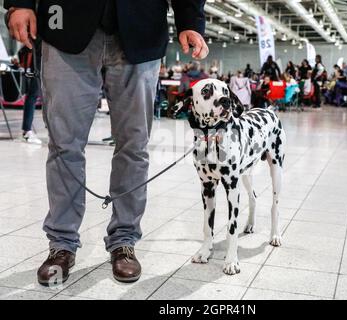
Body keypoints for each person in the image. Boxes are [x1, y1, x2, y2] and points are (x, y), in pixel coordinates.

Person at [5, 0, 208, 285]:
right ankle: (61, 244)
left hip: (142, 27)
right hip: (64, 23)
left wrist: (191, 19)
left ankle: (124, 241)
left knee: (134, 146)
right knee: (64, 146)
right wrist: (19, 4)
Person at [18, 38, 42, 144]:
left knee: (34, 96)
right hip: (38, 66)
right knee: (32, 96)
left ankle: (27, 130)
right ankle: (27, 130)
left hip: (41, 65)